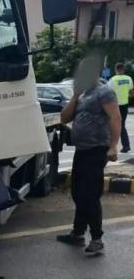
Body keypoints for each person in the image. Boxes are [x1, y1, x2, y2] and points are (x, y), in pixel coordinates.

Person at [57, 76, 121, 256]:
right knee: (77, 191)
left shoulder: (104, 92)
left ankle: (97, 238)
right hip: (82, 149)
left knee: (90, 194)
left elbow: (115, 118)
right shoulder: (83, 95)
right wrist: (75, 95)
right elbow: (64, 117)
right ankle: (77, 232)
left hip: (97, 149)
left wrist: (114, 145)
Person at [109, 63, 133, 153]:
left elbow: (107, 92)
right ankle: (126, 146)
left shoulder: (113, 80)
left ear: (116, 70)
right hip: (125, 105)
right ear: (123, 69)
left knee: (113, 125)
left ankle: (112, 146)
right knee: (122, 125)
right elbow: (131, 93)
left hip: (115, 105)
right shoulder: (128, 79)